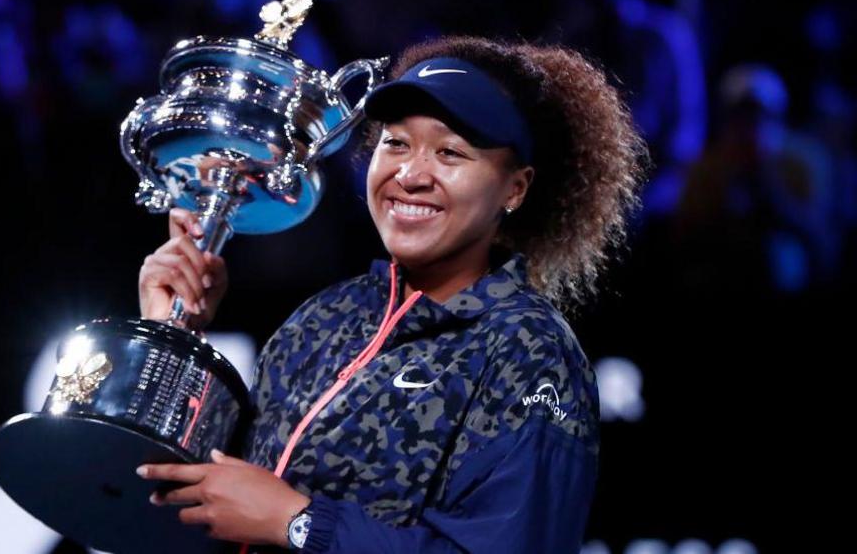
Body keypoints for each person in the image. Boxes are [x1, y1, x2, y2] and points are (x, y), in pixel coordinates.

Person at [135, 35, 647, 554]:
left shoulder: (527, 349)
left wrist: (299, 522)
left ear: (515, 188)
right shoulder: (323, 318)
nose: (410, 175)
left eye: (449, 152)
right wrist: (173, 334)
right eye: (396, 143)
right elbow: (185, 499)